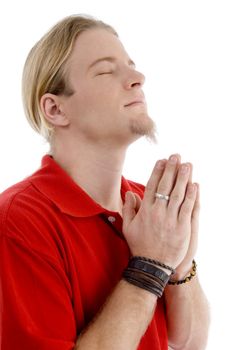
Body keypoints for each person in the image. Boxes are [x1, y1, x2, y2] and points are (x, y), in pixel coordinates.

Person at [0, 14, 210, 350]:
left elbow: (188, 341)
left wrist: (179, 261)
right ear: (55, 109)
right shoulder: (20, 219)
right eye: (106, 70)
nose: (138, 77)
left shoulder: (150, 207)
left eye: (131, 65)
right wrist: (150, 264)